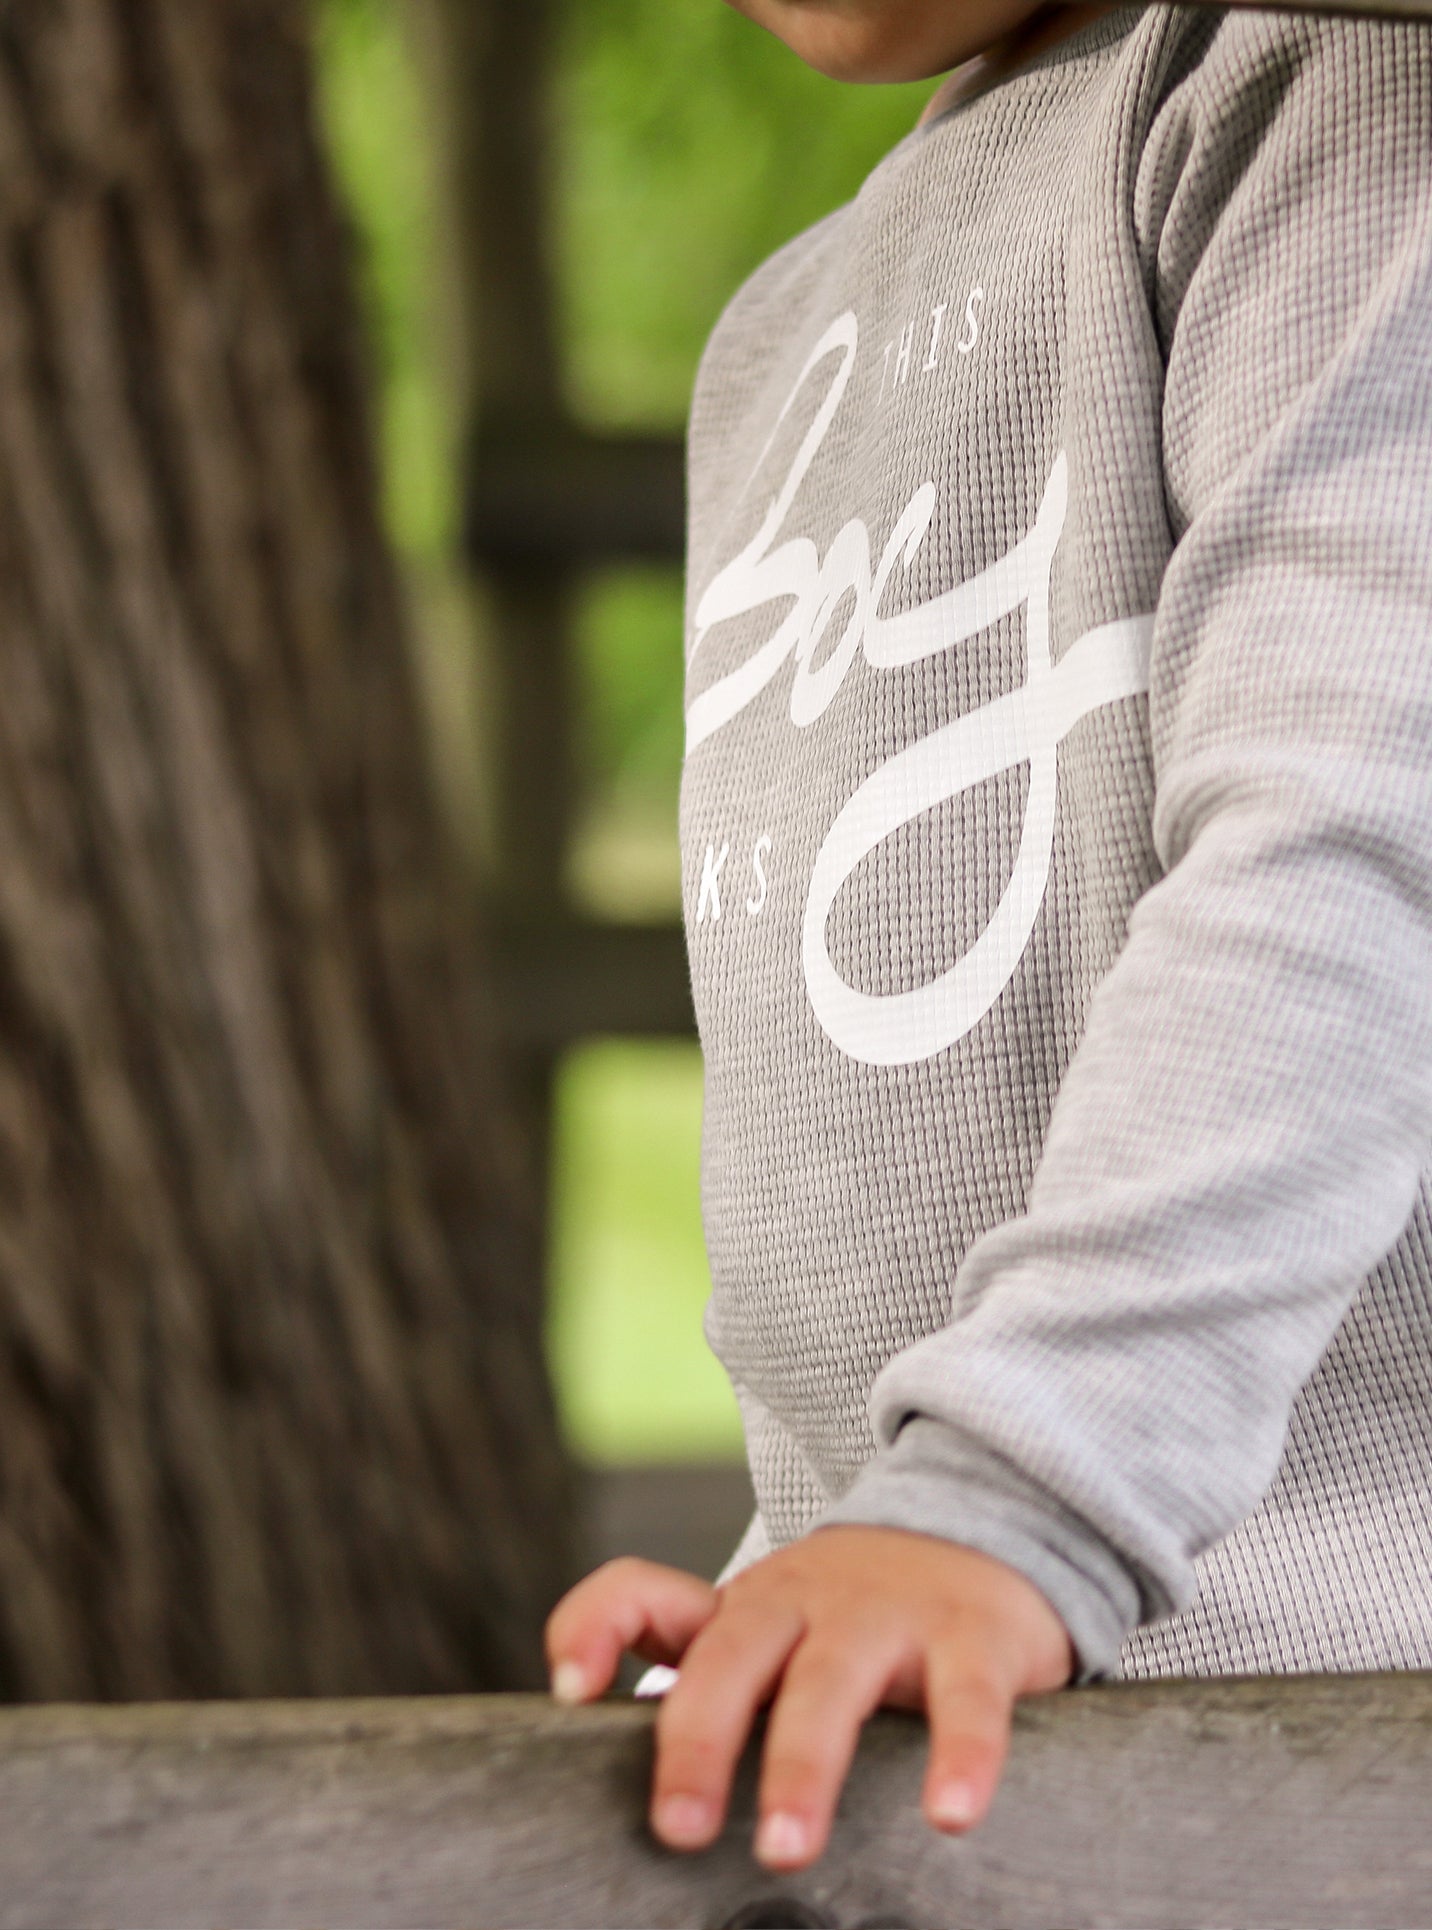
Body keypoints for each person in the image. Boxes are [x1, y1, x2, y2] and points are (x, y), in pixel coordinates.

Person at [546, 0, 1432, 1879]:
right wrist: (812, 1577)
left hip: (1351, 1742)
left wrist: (1016, 1493)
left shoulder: (1343, 79)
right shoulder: (778, 338)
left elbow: (1358, 837)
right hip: (974, 1735)